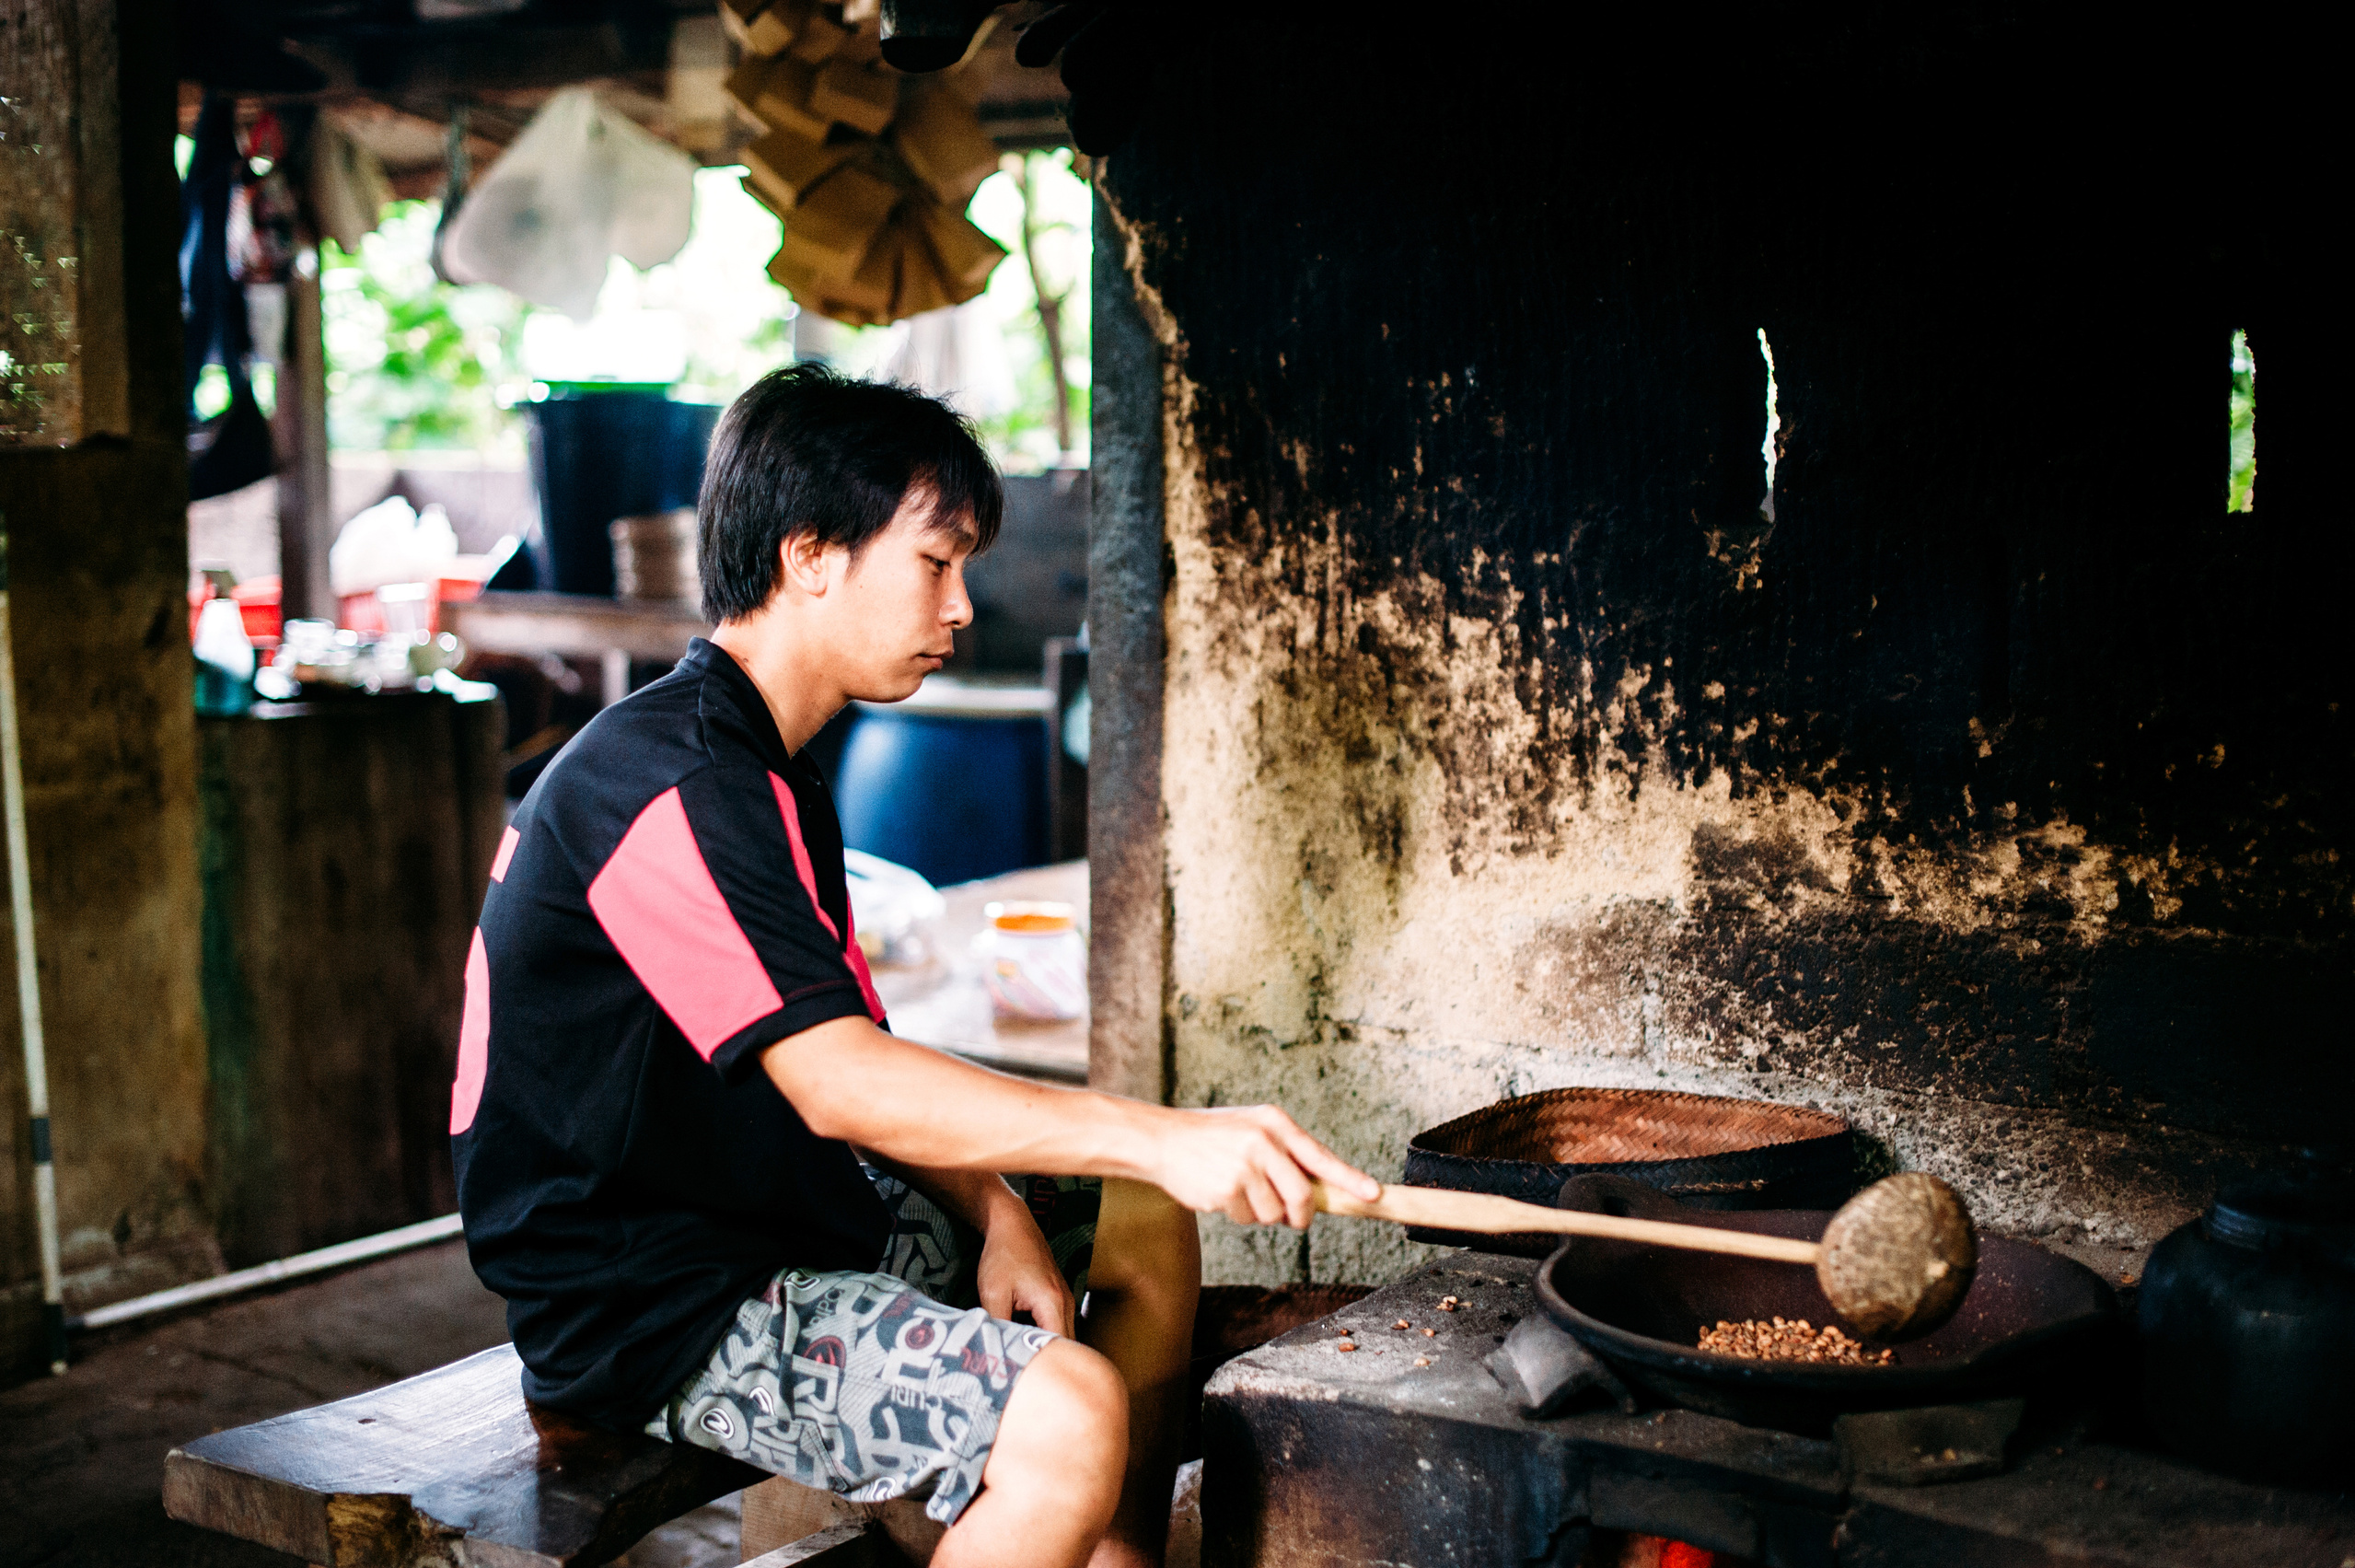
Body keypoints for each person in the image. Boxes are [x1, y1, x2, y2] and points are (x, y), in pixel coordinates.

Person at [450, 364, 1378, 1568]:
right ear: (810, 557)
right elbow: (839, 1086)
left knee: (1140, 1216)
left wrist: (993, 1205)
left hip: (761, 1219)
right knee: (1065, 1411)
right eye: (935, 562)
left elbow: (873, 1068)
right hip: (652, 1300)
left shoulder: (761, 767)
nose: (960, 607)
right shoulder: (668, 784)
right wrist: (1155, 1129)